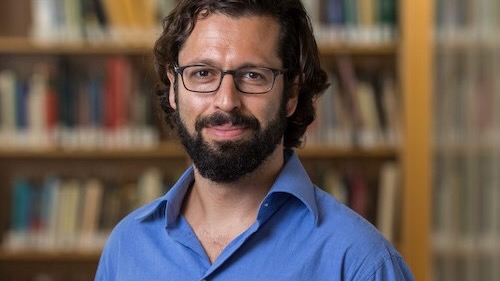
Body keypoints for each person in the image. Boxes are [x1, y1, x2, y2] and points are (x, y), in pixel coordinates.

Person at [95, 0, 414, 280]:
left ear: (291, 93)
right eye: (203, 73)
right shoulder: (127, 247)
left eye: (252, 75)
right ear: (174, 87)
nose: (226, 101)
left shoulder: (361, 262)